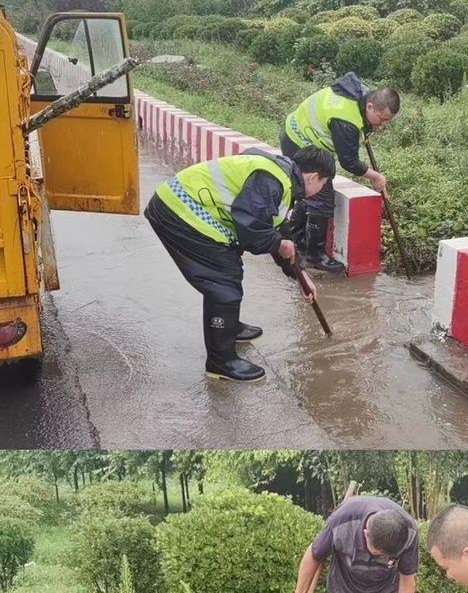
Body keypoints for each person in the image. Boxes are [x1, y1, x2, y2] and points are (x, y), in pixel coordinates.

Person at [144, 145, 335, 383]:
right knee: (223, 280)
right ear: (314, 176)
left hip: (179, 206)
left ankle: (228, 327)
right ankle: (220, 362)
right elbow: (252, 230)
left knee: (228, 268)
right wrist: (278, 244)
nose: (319, 191)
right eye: (323, 184)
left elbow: (277, 228)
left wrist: (300, 275)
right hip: (179, 212)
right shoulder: (271, 181)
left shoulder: (280, 175)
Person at [281, 73, 400, 273]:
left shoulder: (360, 94)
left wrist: (369, 126)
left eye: (387, 120)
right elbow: (349, 162)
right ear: (370, 106)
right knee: (321, 196)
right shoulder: (345, 119)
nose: (383, 124)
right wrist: (376, 177)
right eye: (381, 119)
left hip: (295, 133)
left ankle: (296, 239)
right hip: (300, 143)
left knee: (306, 192)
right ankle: (315, 255)